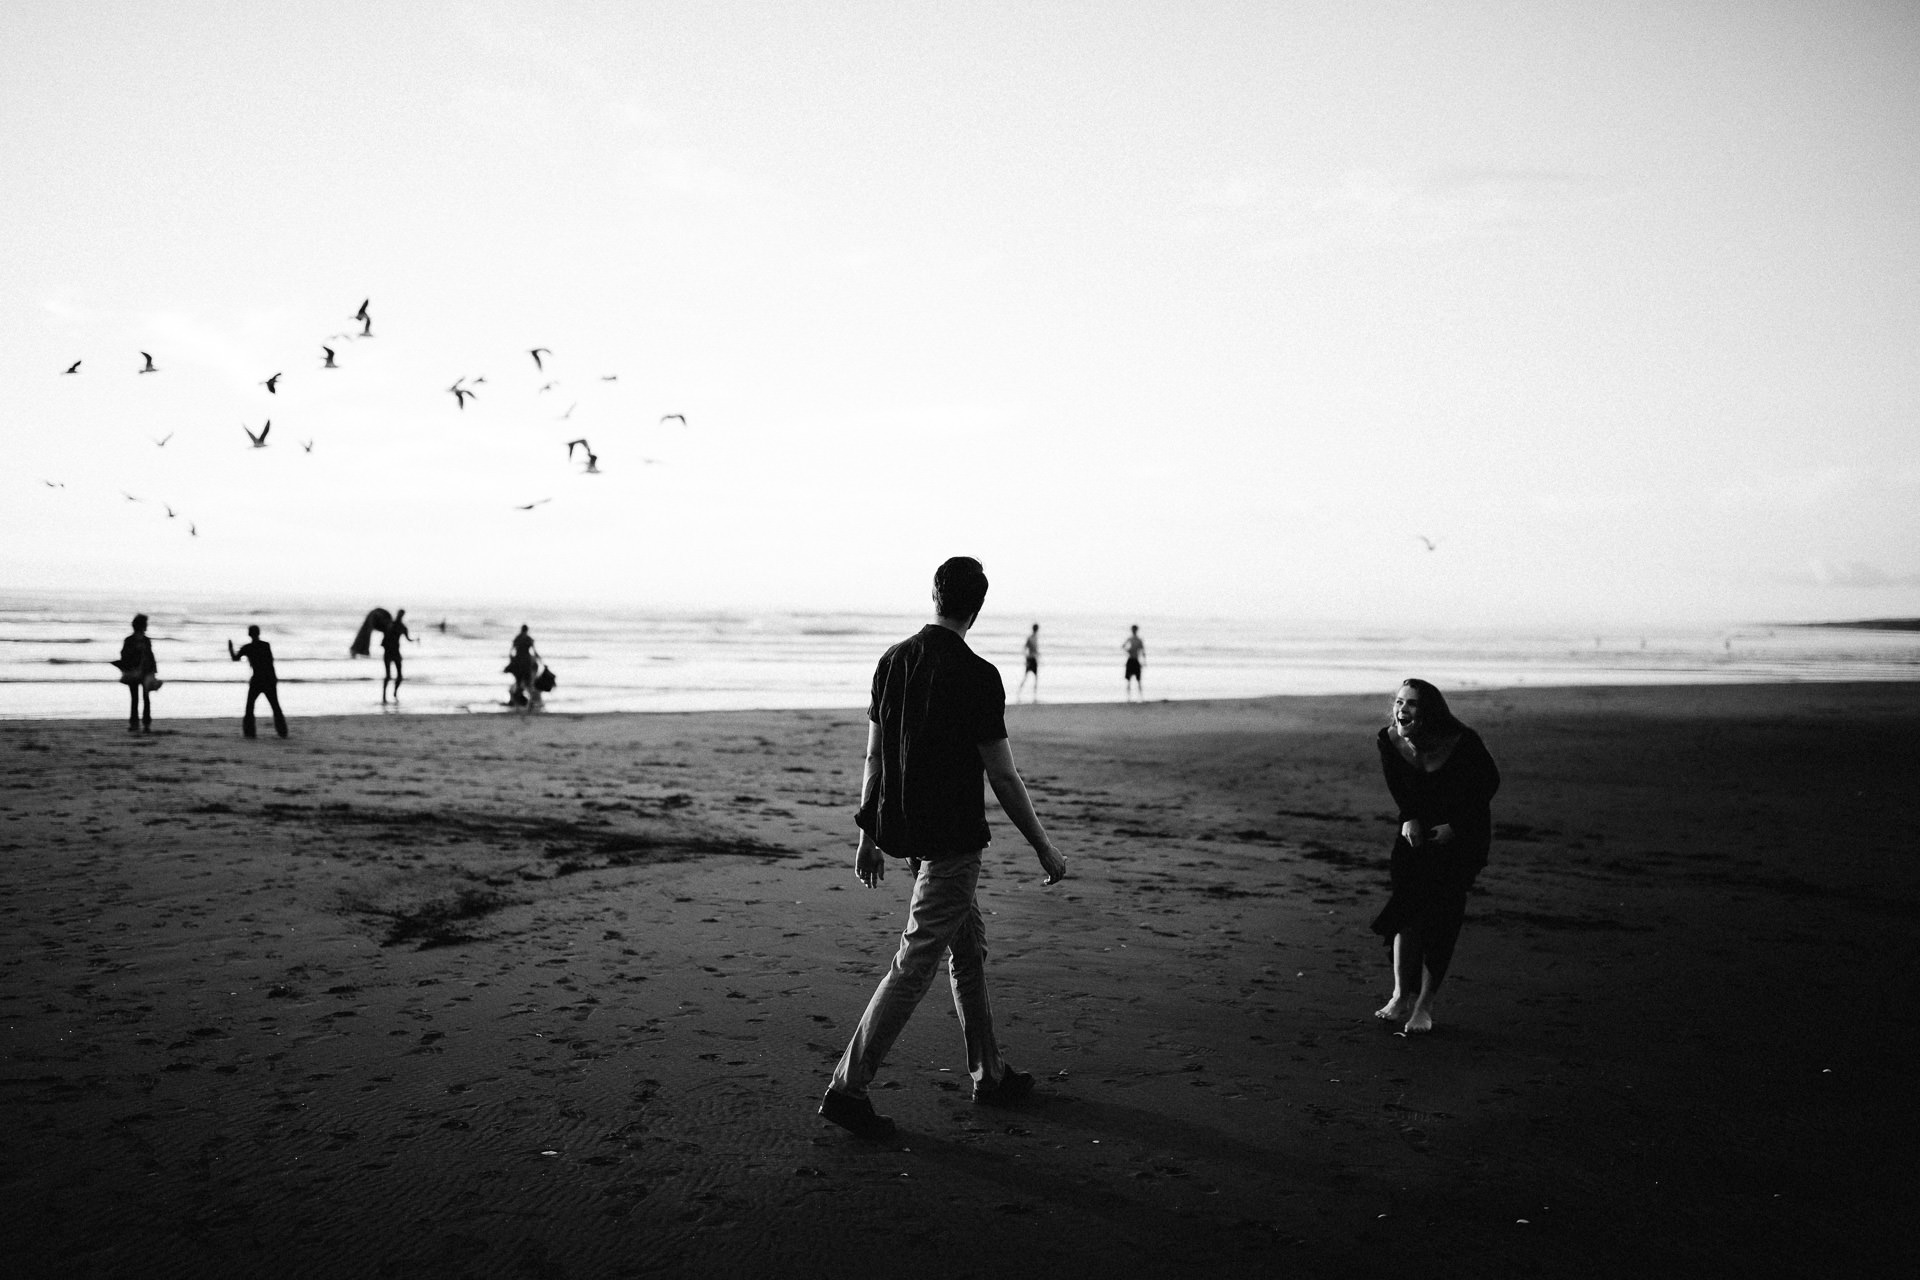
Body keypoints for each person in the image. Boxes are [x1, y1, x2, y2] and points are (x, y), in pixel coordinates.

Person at [819, 557, 1069, 1140]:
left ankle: (989, 1074)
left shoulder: (892, 662)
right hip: (953, 843)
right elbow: (1004, 779)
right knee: (915, 961)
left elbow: (875, 758)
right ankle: (847, 1088)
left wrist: (869, 836)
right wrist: (1045, 850)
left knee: (968, 946)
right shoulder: (978, 676)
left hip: (911, 837)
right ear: (976, 608)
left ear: (934, 596)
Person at [1370, 678, 1500, 1035]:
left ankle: (1424, 1006)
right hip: (1414, 835)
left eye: (1411, 703)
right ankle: (1399, 996)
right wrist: (1409, 816)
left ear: (1429, 711)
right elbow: (1397, 784)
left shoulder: (1462, 742)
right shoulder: (1389, 739)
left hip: (1458, 839)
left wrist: (1456, 826)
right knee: (1406, 913)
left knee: (1440, 923)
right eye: (1398, 702)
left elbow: (1488, 784)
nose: (1401, 709)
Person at [228, 625, 288, 739]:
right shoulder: (265, 645)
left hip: (257, 679)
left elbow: (235, 658)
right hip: (268, 678)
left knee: (250, 706)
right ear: (258, 633)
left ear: (249, 634)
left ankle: (250, 733)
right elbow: (270, 663)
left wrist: (230, 648)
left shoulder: (248, 647)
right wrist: (274, 679)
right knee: (275, 706)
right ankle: (282, 732)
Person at [115, 613, 159, 732]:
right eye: (145, 624)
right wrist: (153, 671)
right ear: (142, 626)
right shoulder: (142, 641)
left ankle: (139, 724)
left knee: (138, 698)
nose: (147, 626)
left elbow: (124, 656)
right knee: (141, 698)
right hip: (139, 672)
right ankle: (143, 724)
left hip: (137, 672)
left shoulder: (132, 640)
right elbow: (150, 657)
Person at [381, 609, 414, 703]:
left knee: (399, 676)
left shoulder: (402, 627)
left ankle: (394, 693)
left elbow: (408, 639)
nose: (400, 616)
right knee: (388, 676)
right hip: (388, 652)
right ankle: (384, 696)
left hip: (396, 652)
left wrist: (415, 640)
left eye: (401, 615)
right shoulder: (390, 625)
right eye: (399, 614)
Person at [506, 625, 539, 708]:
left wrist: (512, 661)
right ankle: (530, 702)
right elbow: (534, 652)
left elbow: (511, 652)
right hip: (527, 663)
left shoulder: (517, 638)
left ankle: (513, 701)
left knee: (518, 682)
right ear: (527, 630)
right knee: (528, 683)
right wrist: (539, 660)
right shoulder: (529, 639)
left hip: (518, 663)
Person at [1015, 623, 1040, 702]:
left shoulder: (1031, 637)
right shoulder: (1033, 638)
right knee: (1034, 677)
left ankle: (1022, 692)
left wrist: (1026, 657)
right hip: (1032, 659)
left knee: (1027, 677)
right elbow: (1032, 649)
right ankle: (1033, 694)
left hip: (1030, 659)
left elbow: (1025, 648)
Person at [1122, 624, 1145, 701]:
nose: (1134, 631)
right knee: (1128, 680)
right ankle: (1128, 698)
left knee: (1138, 680)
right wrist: (1128, 651)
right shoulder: (1131, 639)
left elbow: (1142, 651)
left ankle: (1140, 697)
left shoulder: (1138, 640)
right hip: (1131, 659)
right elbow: (1123, 646)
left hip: (1135, 660)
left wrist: (1144, 661)